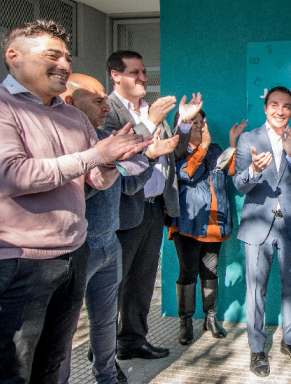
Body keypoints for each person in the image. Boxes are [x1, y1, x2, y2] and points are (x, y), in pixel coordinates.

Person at [0, 20, 149, 383]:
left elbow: (92, 179)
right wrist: (95, 155)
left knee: (52, 364)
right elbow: (11, 175)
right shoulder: (2, 107)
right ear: (13, 56)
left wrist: (110, 161)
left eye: (67, 56)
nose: (64, 64)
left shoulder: (71, 117)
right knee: (14, 369)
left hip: (73, 255)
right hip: (20, 262)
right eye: (53, 55)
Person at [57, 74, 179, 384]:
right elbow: (80, 190)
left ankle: (108, 375)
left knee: (105, 320)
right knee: (64, 329)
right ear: (71, 102)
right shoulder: (65, 143)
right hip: (78, 248)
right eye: (97, 99)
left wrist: (149, 157)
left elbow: (128, 185)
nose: (104, 104)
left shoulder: (106, 136)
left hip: (109, 242)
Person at [101, 50, 203, 360]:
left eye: (144, 71)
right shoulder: (108, 111)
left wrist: (184, 125)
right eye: (136, 72)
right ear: (116, 76)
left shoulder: (149, 108)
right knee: (112, 285)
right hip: (123, 209)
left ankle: (133, 340)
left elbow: (175, 152)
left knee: (143, 281)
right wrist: (150, 123)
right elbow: (116, 156)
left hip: (154, 207)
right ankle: (102, 348)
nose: (144, 78)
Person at [233, 86, 291, 377]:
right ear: (265, 107)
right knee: (255, 290)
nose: (279, 111)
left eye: (286, 106)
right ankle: (257, 350)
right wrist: (254, 171)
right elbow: (239, 184)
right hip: (258, 225)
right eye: (274, 104)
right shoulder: (248, 139)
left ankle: (290, 342)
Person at [169, 110, 246, 345]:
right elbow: (184, 174)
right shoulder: (176, 150)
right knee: (188, 271)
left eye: (202, 121)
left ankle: (210, 318)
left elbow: (230, 170)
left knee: (210, 271)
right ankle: (186, 322)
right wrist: (201, 147)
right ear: (181, 126)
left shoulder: (214, 149)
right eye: (194, 122)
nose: (199, 126)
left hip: (214, 222)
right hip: (189, 222)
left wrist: (232, 143)